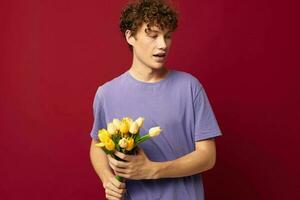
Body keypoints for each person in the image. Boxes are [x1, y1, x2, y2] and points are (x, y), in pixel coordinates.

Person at [89, 0, 222, 199]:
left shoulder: (190, 87)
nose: (162, 45)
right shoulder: (106, 93)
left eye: (167, 36)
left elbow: (207, 156)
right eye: (153, 36)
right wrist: (107, 178)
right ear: (130, 36)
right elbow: (97, 145)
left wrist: (152, 170)